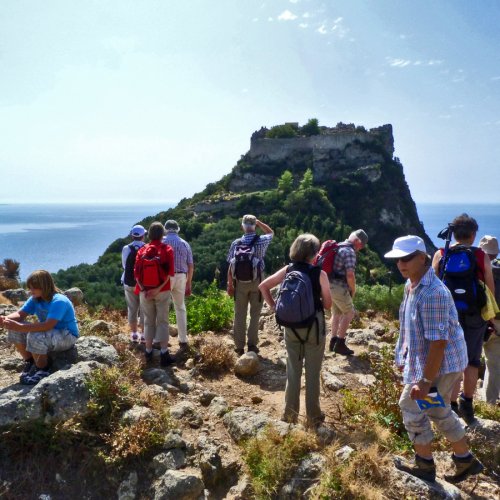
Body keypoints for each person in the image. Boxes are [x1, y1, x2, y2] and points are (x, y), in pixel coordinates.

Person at [385, 236, 484, 484]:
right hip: (435, 362)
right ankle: (465, 459)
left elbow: (438, 343)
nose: (401, 264)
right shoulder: (412, 285)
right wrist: (402, 355)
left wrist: (426, 380)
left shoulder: (432, 293)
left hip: (441, 364)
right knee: (438, 408)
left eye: (406, 258)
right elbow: (408, 327)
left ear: (422, 257)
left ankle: (425, 465)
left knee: (410, 405)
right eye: (398, 259)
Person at [259, 234, 332, 427]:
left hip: (291, 325)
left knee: (293, 371)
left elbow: (263, 286)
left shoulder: (288, 269)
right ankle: (313, 417)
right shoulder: (320, 274)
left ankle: (289, 415)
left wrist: (275, 307)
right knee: (313, 372)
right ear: (314, 254)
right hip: (314, 326)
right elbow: (328, 303)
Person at [431, 214, 495, 424]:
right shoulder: (479, 255)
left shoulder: (441, 253)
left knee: (448, 358)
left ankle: (449, 405)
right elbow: (489, 288)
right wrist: (490, 318)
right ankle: (467, 404)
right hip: (475, 315)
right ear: (473, 235)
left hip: (448, 314)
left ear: (454, 234)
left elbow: (432, 285)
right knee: (472, 360)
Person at [0, 270, 79, 385]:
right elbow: (20, 314)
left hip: (67, 335)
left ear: (44, 286)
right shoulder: (36, 298)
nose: (30, 291)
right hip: (50, 333)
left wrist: (20, 326)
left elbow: (48, 325)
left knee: (35, 335)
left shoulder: (59, 301)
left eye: (33, 288)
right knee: (14, 329)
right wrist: (5, 319)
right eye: (30, 288)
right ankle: (31, 362)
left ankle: (43, 369)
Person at [227, 214, 273, 356]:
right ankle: (252, 345)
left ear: (242, 226)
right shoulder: (261, 241)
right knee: (255, 314)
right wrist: (260, 223)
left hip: (239, 282)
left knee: (239, 314)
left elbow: (230, 265)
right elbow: (271, 233)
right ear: (254, 226)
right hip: (258, 282)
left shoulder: (236, 243)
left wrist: (230, 285)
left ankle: (239, 347)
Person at [134, 222, 175, 366]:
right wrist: (157, 290)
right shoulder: (167, 249)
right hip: (162, 291)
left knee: (148, 322)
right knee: (162, 322)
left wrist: (144, 290)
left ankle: (148, 351)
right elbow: (170, 274)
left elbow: (136, 274)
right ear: (162, 234)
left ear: (149, 234)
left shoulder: (142, 250)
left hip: (145, 292)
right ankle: (164, 354)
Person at [329, 229, 368, 355]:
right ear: (357, 241)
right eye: (361, 246)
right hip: (339, 287)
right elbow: (350, 275)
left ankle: (333, 341)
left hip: (328, 284)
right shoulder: (349, 251)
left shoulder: (339, 246)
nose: (360, 249)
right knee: (350, 312)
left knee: (336, 313)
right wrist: (353, 289)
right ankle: (340, 344)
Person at [163, 219, 194, 348]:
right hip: (181, 276)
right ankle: (183, 339)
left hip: (164, 278)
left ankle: (162, 339)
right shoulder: (184, 243)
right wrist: (189, 283)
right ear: (178, 229)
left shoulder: (162, 242)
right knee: (180, 308)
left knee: (163, 308)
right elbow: (191, 265)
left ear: (165, 229)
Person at [478, 235, 500, 405]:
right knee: (494, 365)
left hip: (474, 321)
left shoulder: (472, 267)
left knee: (466, 363)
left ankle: (454, 403)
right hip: (497, 323)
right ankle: (489, 404)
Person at [121, 224, 146, 343]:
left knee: (132, 308)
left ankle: (134, 334)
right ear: (143, 236)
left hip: (128, 282)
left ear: (132, 235)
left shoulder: (126, 248)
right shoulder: (147, 247)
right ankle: (144, 334)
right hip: (143, 283)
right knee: (144, 308)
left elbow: (124, 266)